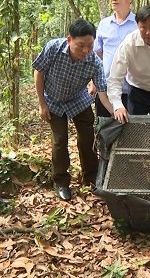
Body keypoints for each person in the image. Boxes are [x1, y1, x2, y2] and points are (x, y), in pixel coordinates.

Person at [33, 19, 113, 200]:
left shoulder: (94, 62)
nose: (86, 51)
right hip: (53, 100)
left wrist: (114, 111)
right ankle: (61, 181)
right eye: (80, 46)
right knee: (60, 140)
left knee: (87, 138)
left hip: (79, 101)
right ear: (69, 40)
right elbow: (39, 72)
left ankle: (91, 177)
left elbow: (102, 92)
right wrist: (41, 104)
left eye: (90, 46)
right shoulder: (53, 48)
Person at [93, 0, 137, 117]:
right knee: (105, 131)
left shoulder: (139, 24)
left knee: (131, 132)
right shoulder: (104, 24)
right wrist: (94, 82)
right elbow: (97, 53)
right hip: (105, 88)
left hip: (132, 89)